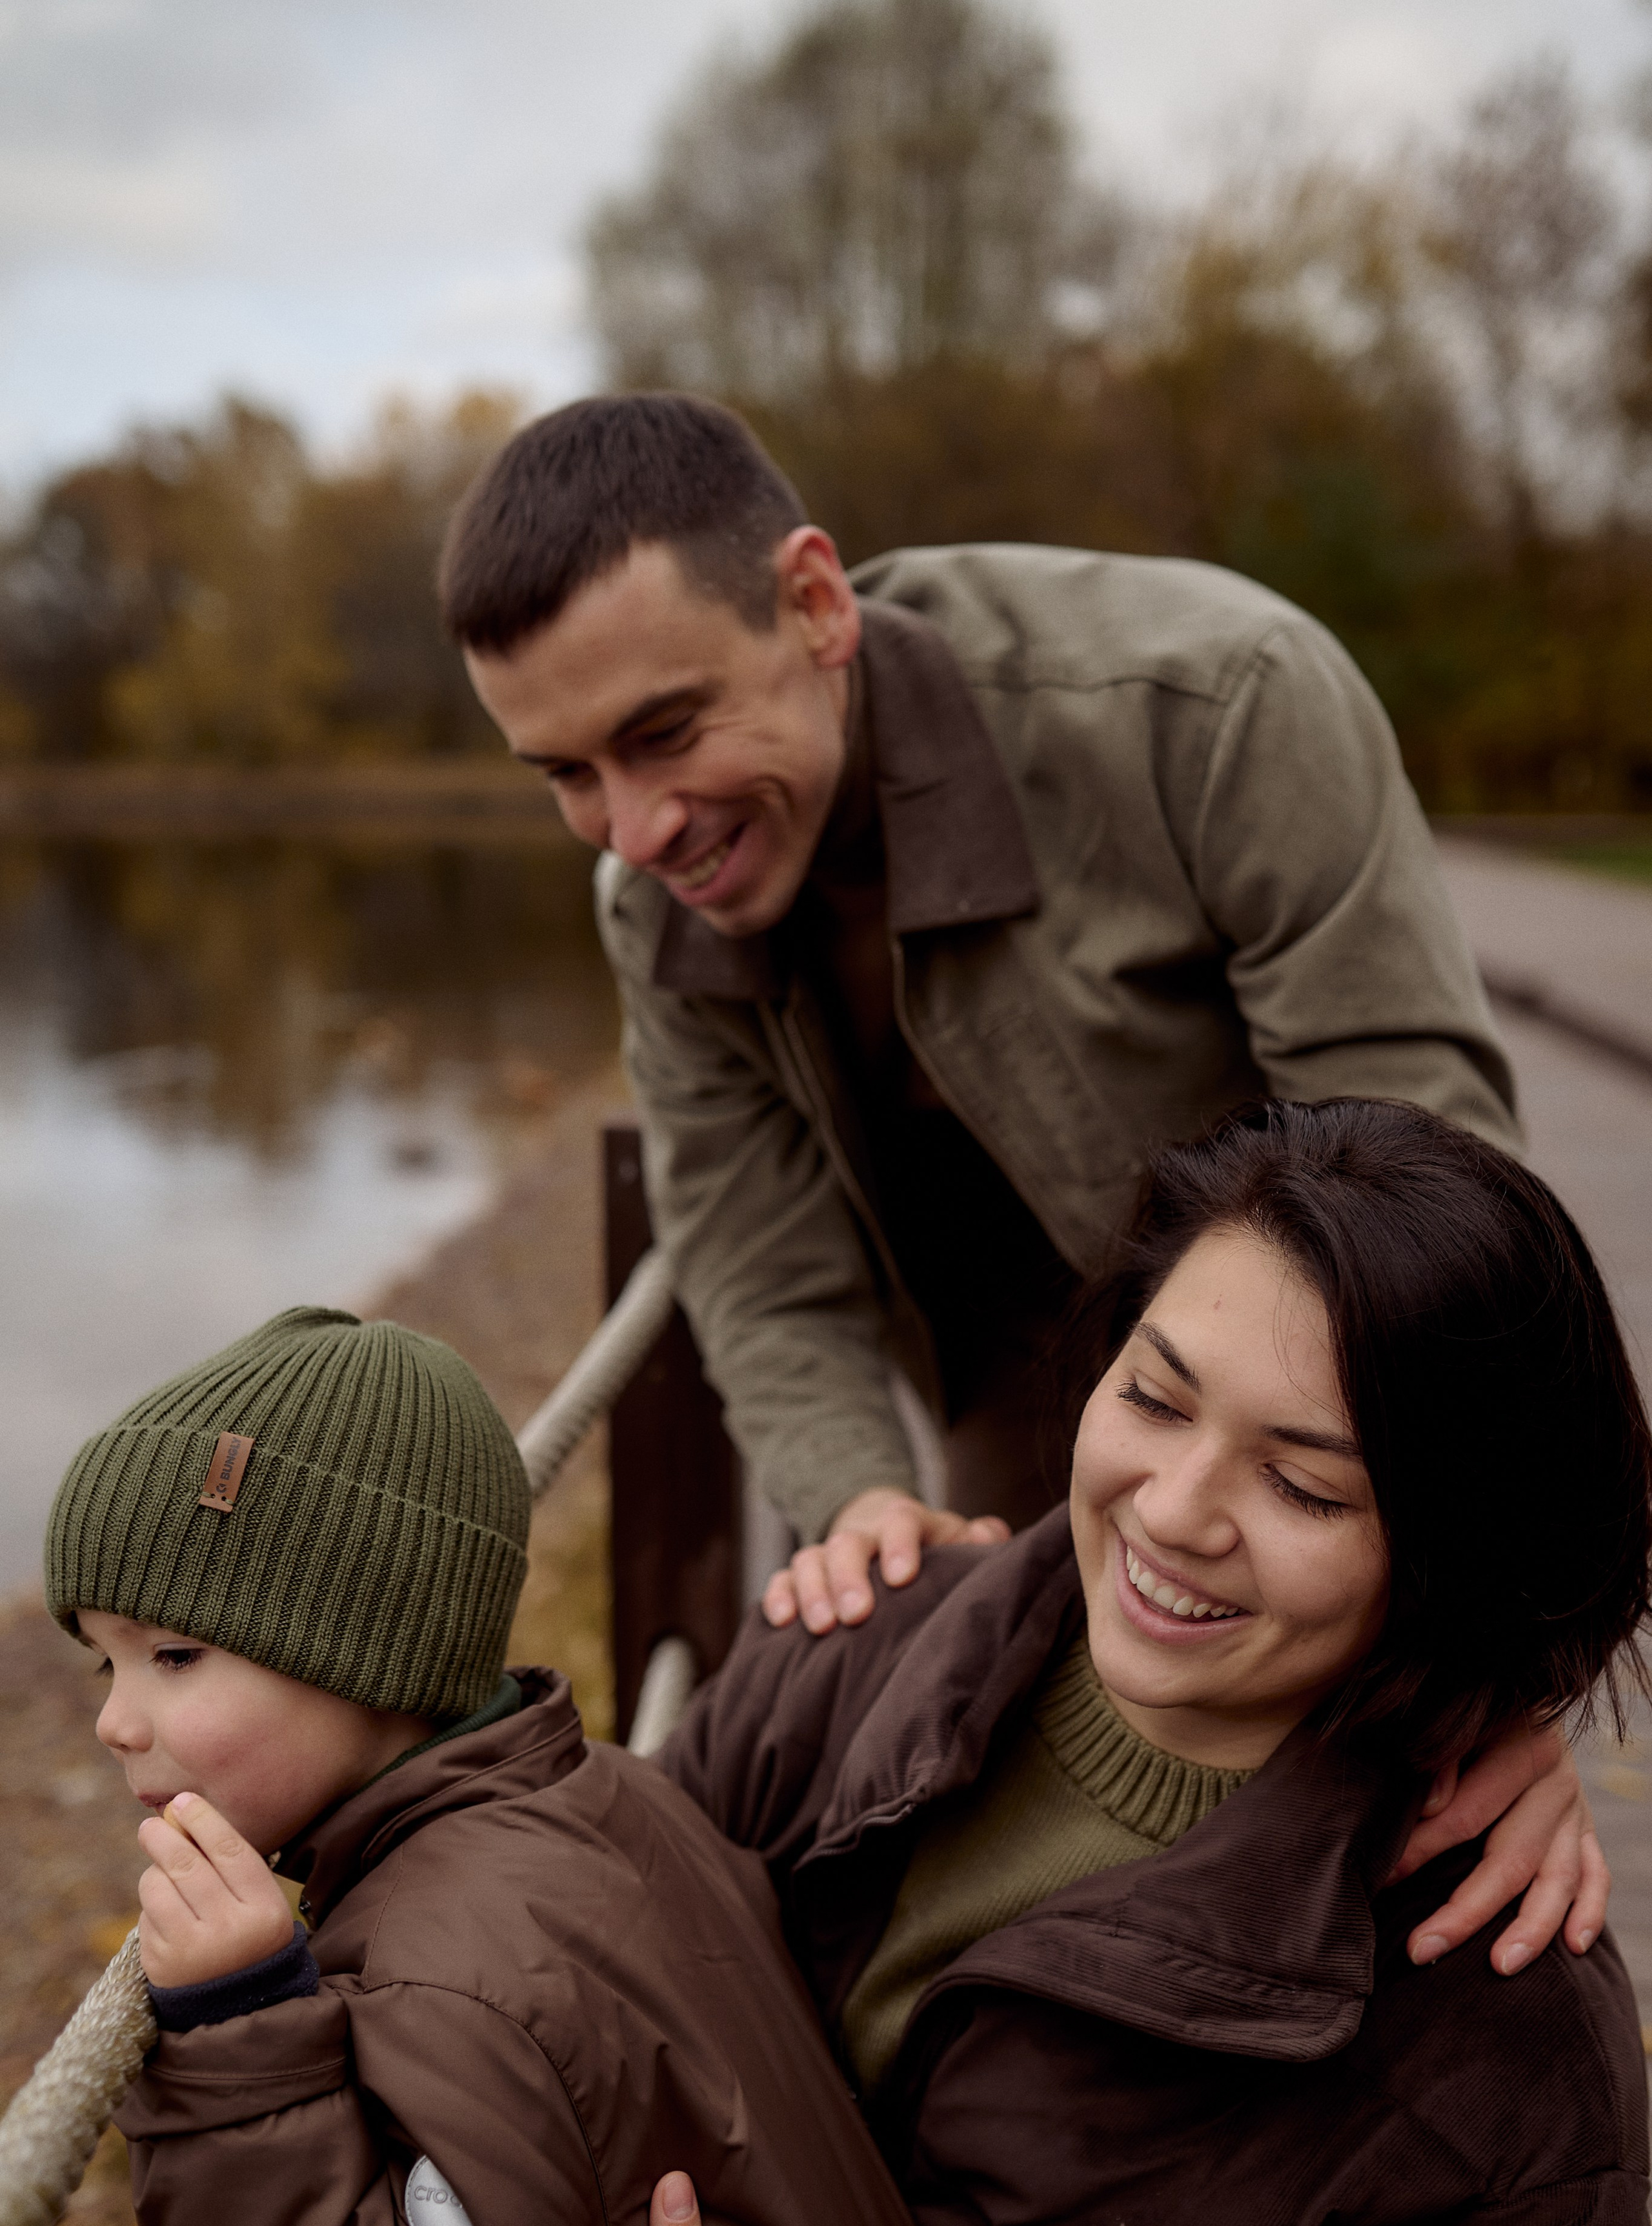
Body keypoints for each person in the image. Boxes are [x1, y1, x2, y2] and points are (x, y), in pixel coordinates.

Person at [442, 390, 1602, 1976]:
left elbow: (1440, 1193)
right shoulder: (651, 905)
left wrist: (1496, 1671)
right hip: (994, 1388)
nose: (632, 831)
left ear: (814, 603)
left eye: (663, 732)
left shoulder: (1219, 704)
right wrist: (861, 1502)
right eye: (562, 773)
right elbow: (756, 1261)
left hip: (1303, 1381)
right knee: (1033, 1810)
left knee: (1359, 1841)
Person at [467, 1098, 1652, 2226]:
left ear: (1455, 1548)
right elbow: (572, 2017)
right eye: (1154, 1398)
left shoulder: (1501, 2075)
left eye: (1302, 1486)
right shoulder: (850, 1649)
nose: (1173, 1510)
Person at [47, 1308, 956, 2226]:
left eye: (174, 1656)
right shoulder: (600, 1787)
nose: (115, 1720)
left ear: (369, 1652)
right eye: (103, 1660)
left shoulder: (453, 1977)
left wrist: (237, 2038)